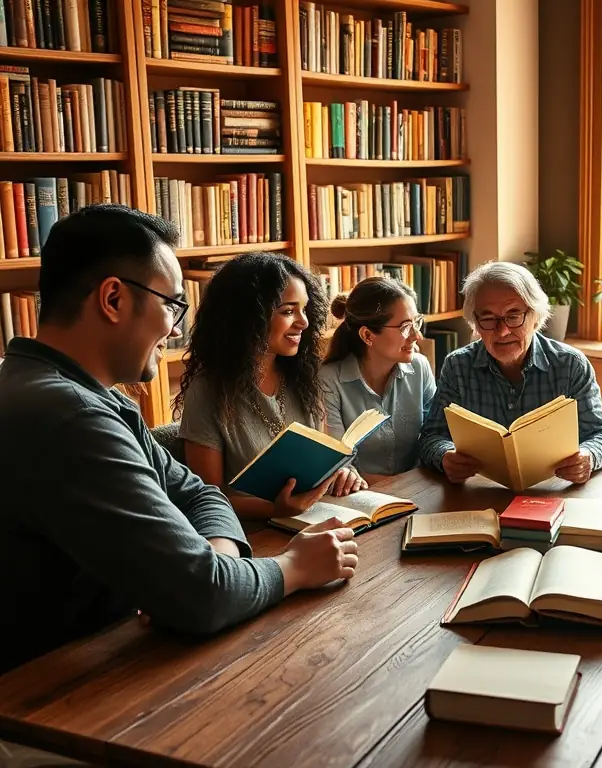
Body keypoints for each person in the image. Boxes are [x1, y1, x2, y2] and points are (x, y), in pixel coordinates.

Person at [0, 205, 359, 675]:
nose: (175, 328)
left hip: (121, 657)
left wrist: (214, 555)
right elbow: (204, 595)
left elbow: (200, 493)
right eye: (171, 304)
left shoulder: (89, 397)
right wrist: (295, 568)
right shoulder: (68, 417)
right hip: (55, 703)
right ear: (113, 299)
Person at [176, 252, 366, 520]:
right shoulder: (207, 390)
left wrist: (338, 473)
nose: (304, 322)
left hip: (313, 521)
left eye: (304, 309)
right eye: (288, 311)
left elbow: (315, 462)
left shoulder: (303, 377)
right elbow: (207, 496)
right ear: (248, 317)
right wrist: (275, 509)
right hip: (251, 537)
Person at [419, 261, 602, 485]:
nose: (502, 331)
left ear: (535, 317)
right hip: (479, 495)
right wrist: (445, 457)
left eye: (513, 316)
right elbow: (431, 436)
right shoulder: (457, 366)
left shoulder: (570, 365)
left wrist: (588, 457)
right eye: (488, 319)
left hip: (554, 492)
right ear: (475, 323)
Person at [319, 277, 436, 484]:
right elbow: (337, 466)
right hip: (359, 498)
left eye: (416, 323)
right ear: (367, 335)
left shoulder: (420, 368)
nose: (416, 336)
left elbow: (434, 436)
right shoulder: (329, 380)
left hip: (419, 491)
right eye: (405, 327)